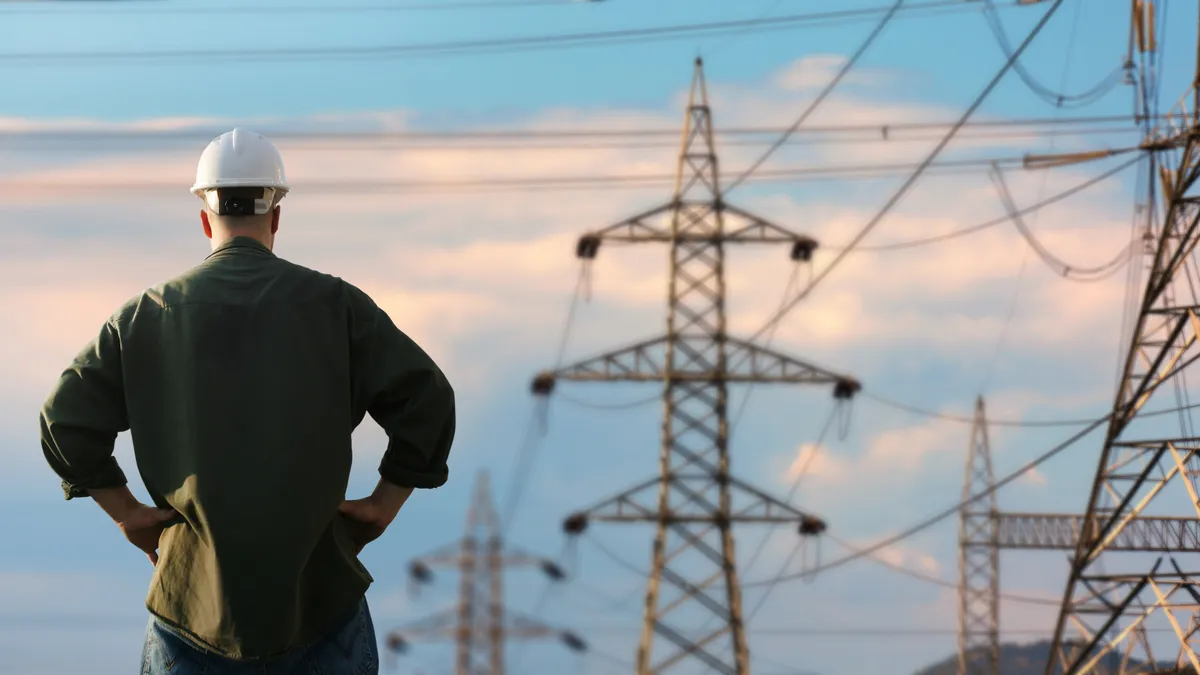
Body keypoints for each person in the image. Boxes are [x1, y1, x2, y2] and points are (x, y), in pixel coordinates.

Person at [38, 127, 456, 674]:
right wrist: (384, 503)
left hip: (188, 606)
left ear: (205, 217)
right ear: (276, 214)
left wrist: (127, 514)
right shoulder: (338, 306)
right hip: (321, 599)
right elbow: (427, 400)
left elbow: (63, 421)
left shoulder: (144, 315)